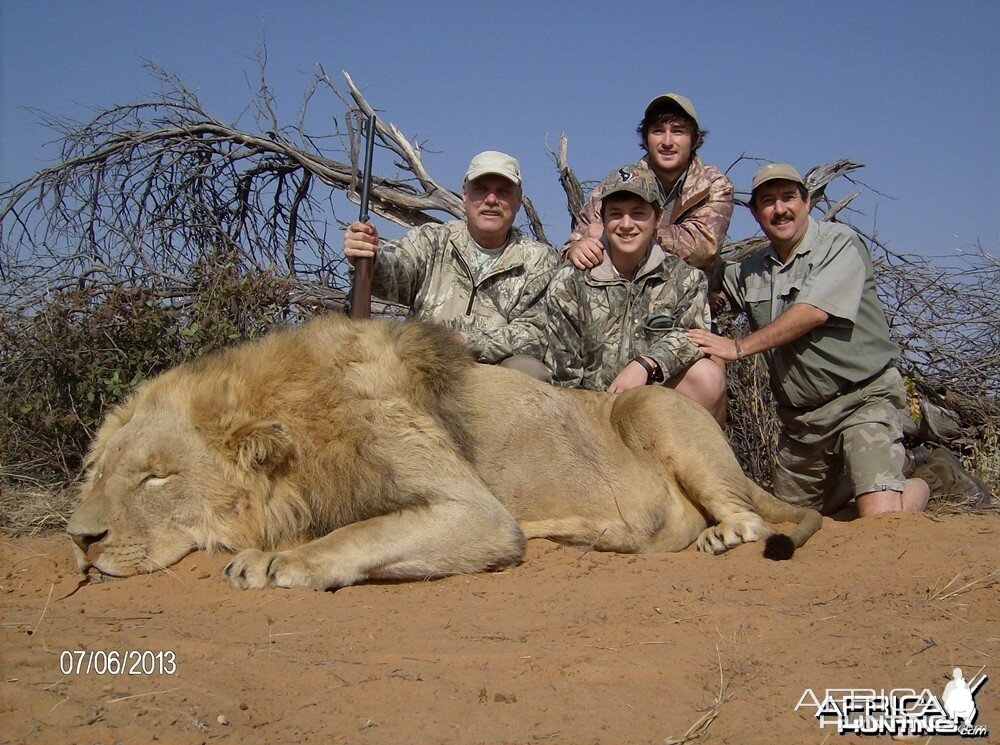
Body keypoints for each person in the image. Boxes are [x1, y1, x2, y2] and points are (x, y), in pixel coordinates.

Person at [687, 163, 930, 517]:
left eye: (788, 197)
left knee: (881, 520)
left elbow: (813, 310)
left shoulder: (839, 243)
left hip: (862, 401)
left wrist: (737, 347)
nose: (779, 209)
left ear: (808, 202)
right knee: (788, 520)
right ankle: (862, 477)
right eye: (767, 201)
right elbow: (698, 279)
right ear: (755, 214)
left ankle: (927, 478)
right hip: (802, 422)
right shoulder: (748, 270)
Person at [343, 151, 556, 379]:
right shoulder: (432, 240)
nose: (491, 200)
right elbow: (394, 273)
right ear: (465, 195)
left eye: (503, 192)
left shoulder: (539, 259)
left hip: (494, 379)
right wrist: (370, 257)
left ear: (518, 201)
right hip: (423, 366)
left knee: (529, 371)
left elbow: (534, 333)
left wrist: (464, 343)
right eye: (481, 189)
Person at [545, 164, 723, 418]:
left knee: (708, 376)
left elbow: (693, 337)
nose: (626, 224)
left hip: (653, 406)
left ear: (658, 218)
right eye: (616, 214)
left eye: (638, 213)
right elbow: (564, 374)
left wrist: (645, 364)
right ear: (603, 218)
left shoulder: (686, 278)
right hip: (589, 413)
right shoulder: (571, 280)